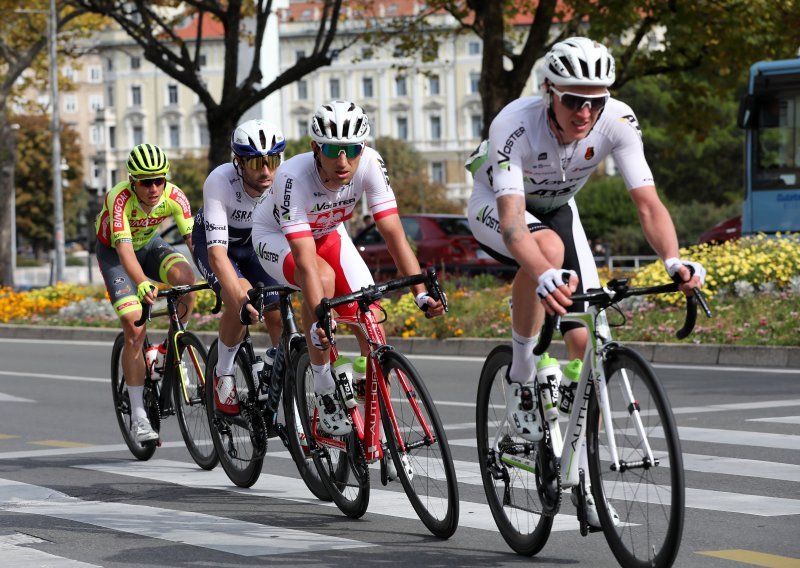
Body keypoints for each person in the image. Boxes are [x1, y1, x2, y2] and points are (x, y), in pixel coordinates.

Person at [466, 37, 706, 527]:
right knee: (546, 253)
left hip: (558, 210)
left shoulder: (617, 119)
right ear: (549, 92)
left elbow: (647, 203)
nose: (585, 110)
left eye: (595, 100)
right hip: (497, 206)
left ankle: (585, 482)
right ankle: (519, 374)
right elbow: (513, 225)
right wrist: (542, 272)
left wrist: (674, 260)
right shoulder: (513, 124)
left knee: (590, 342)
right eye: (574, 100)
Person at [251, 100, 445, 435]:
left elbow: (394, 234)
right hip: (276, 236)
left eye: (352, 149)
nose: (344, 161)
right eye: (332, 150)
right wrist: (319, 320)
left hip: (328, 232)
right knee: (322, 283)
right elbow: (307, 262)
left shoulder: (370, 163)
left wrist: (420, 294)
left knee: (369, 319)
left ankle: (366, 408)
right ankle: (324, 385)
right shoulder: (292, 177)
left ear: (363, 147)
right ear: (315, 147)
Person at [95, 143, 196, 442]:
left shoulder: (175, 196)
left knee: (187, 281)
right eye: (145, 181)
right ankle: (139, 416)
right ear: (132, 181)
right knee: (134, 324)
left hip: (150, 246)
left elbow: (194, 242)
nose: (153, 188)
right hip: (116, 254)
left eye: (158, 180)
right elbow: (124, 250)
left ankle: (167, 351)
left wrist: (218, 276)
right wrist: (140, 281)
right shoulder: (119, 199)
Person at [192, 119, 285, 415]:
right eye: (257, 162)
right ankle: (224, 371)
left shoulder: (283, 182)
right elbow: (218, 255)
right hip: (216, 246)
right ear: (239, 163)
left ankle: (281, 372)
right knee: (241, 295)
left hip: (254, 245)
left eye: (272, 160)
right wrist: (239, 298)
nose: (266, 170)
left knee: (279, 312)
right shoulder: (220, 181)